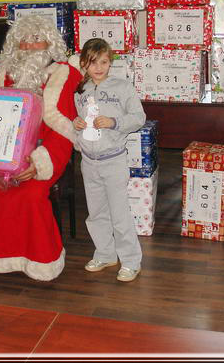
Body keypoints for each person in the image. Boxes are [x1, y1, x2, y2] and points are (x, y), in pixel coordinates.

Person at [0, 15, 82, 281]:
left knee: (28, 195)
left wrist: (37, 165)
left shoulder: (60, 77)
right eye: (24, 41)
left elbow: (63, 134)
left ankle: (33, 258)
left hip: (41, 156)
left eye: (36, 40)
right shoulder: (3, 76)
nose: (30, 47)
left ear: (49, 44)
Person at [72, 38, 146, 282]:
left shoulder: (122, 87)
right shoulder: (80, 92)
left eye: (104, 62)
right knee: (96, 213)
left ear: (110, 63)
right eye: (93, 63)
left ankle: (131, 261)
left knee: (119, 213)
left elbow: (138, 118)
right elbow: (80, 122)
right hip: (89, 161)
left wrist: (114, 122)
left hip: (113, 160)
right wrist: (77, 125)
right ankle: (105, 253)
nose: (99, 68)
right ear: (84, 64)